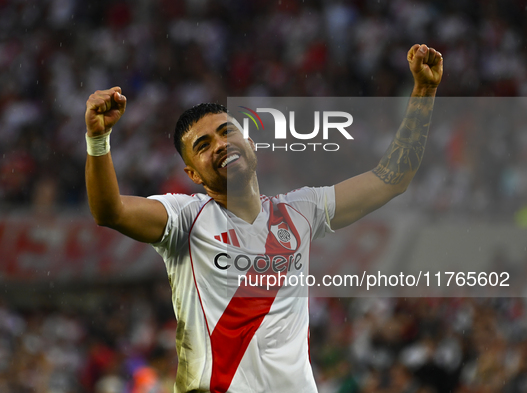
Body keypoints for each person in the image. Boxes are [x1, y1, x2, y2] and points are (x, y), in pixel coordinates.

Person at [84, 44, 443, 393]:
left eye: (227, 132)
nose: (220, 145)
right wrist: (98, 140)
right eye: (203, 145)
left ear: (250, 142)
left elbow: (392, 178)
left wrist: (424, 91)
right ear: (192, 175)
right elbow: (109, 211)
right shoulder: (184, 218)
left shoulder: (302, 210)